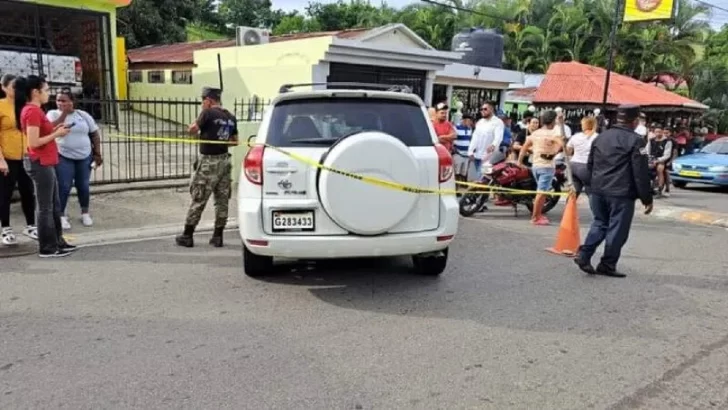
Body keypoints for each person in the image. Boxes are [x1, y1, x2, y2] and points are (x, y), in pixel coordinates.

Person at [574, 104, 653, 278]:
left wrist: (593, 185)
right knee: (618, 229)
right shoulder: (636, 141)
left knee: (600, 223)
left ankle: (584, 254)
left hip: (598, 189)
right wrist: (647, 198)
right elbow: (640, 173)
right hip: (620, 193)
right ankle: (607, 264)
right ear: (635, 121)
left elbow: (590, 164)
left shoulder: (601, 137)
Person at [14, 75, 76, 257]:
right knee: (45, 207)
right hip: (39, 162)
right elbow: (34, 142)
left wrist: (57, 130)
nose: (49, 93)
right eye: (47, 90)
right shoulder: (31, 111)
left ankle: (58, 242)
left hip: (47, 161)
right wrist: (56, 135)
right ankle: (48, 247)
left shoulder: (36, 110)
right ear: (35, 92)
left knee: (54, 205)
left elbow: (43, 132)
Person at [176, 87, 238, 248]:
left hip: (208, 162)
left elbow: (192, 130)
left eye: (203, 100)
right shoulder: (230, 117)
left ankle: (187, 235)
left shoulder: (207, 113)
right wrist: (220, 138)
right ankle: (218, 236)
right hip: (224, 161)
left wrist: (194, 128)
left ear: (209, 100)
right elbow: (235, 141)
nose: (202, 103)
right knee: (222, 199)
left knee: (199, 196)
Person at [46, 90, 103, 230]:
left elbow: (94, 134)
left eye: (64, 100)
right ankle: (62, 215)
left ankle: (85, 212)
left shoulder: (83, 115)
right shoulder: (52, 114)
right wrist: (64, 114)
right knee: (64, 186)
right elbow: (48, 129)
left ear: (72, 102)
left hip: (84, 156)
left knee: (83, 185)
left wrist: (97, 153)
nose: (61, 103)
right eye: (58, 100)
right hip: (63, 155)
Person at [0, 73, 37, 245]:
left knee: (28, 191)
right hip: (7, 157)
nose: (17, 90)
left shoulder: (24, 106)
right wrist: (1, 159)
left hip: (26, 155)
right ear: (4, 87)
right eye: (13, 87)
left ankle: (30, 225)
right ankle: (5, 228)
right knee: (5, 194)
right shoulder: (1, 106)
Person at [517, 110, 563, 226]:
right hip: (547, 166)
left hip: (535, 165)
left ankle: (537, 215)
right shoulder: (553, 134)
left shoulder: (535, 133)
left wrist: (519, 162)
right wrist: (557, 149)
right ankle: (535, 217)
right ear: (553, 121)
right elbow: (563, 145)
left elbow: (523, 148)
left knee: (541, 192)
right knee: (541, 193)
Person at [565, 116, 598, 197]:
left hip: (573, 165)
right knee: (592, 192)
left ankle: (568, 209)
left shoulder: (576, 136)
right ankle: (596, 209)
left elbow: (568, 152)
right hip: (587, 166)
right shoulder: (597, 137)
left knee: (574, 192)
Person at [645, 128, 673, 197]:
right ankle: (647, 188)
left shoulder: (668, 141)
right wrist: (649, 159)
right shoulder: (651, 141)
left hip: (662, 160)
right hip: (651, 159)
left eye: (659, 132)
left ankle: (659, 189)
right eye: (656, 132)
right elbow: (647, 151)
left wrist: (657, 160)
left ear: (662, 132)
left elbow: (667, 154)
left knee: (660, 169)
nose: (658, 133)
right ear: (654, 132)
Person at [453, 114, 474, 180]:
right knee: (457, 171)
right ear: (464, 120)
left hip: (466, 154)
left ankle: (461, 185)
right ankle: (456, 186)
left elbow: (470, 140)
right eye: (468, 121)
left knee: (464, 172)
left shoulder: (470, 129)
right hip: (458, 153)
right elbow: (452, 139)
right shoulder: (456, 128)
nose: (470, 123)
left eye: (470, 121)